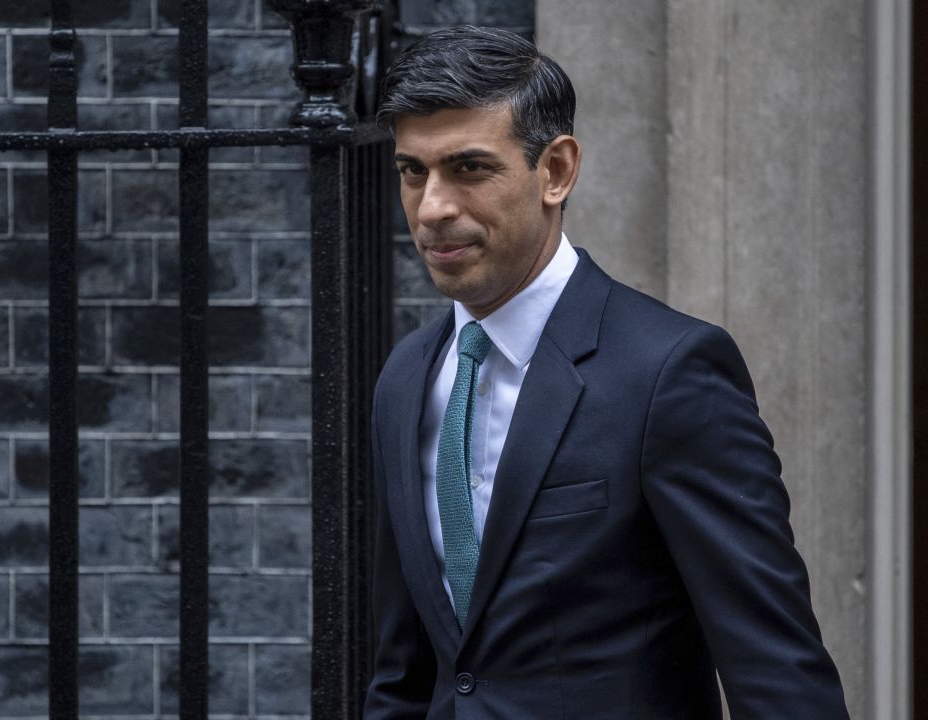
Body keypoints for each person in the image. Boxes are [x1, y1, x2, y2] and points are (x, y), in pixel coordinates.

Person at [364, 25, 849, 719]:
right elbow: (404, 671)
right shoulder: (406, 379)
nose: (434, 206)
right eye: (414, 171)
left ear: (556, 171)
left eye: (469, 168)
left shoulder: (669, 372)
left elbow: (774, 668)